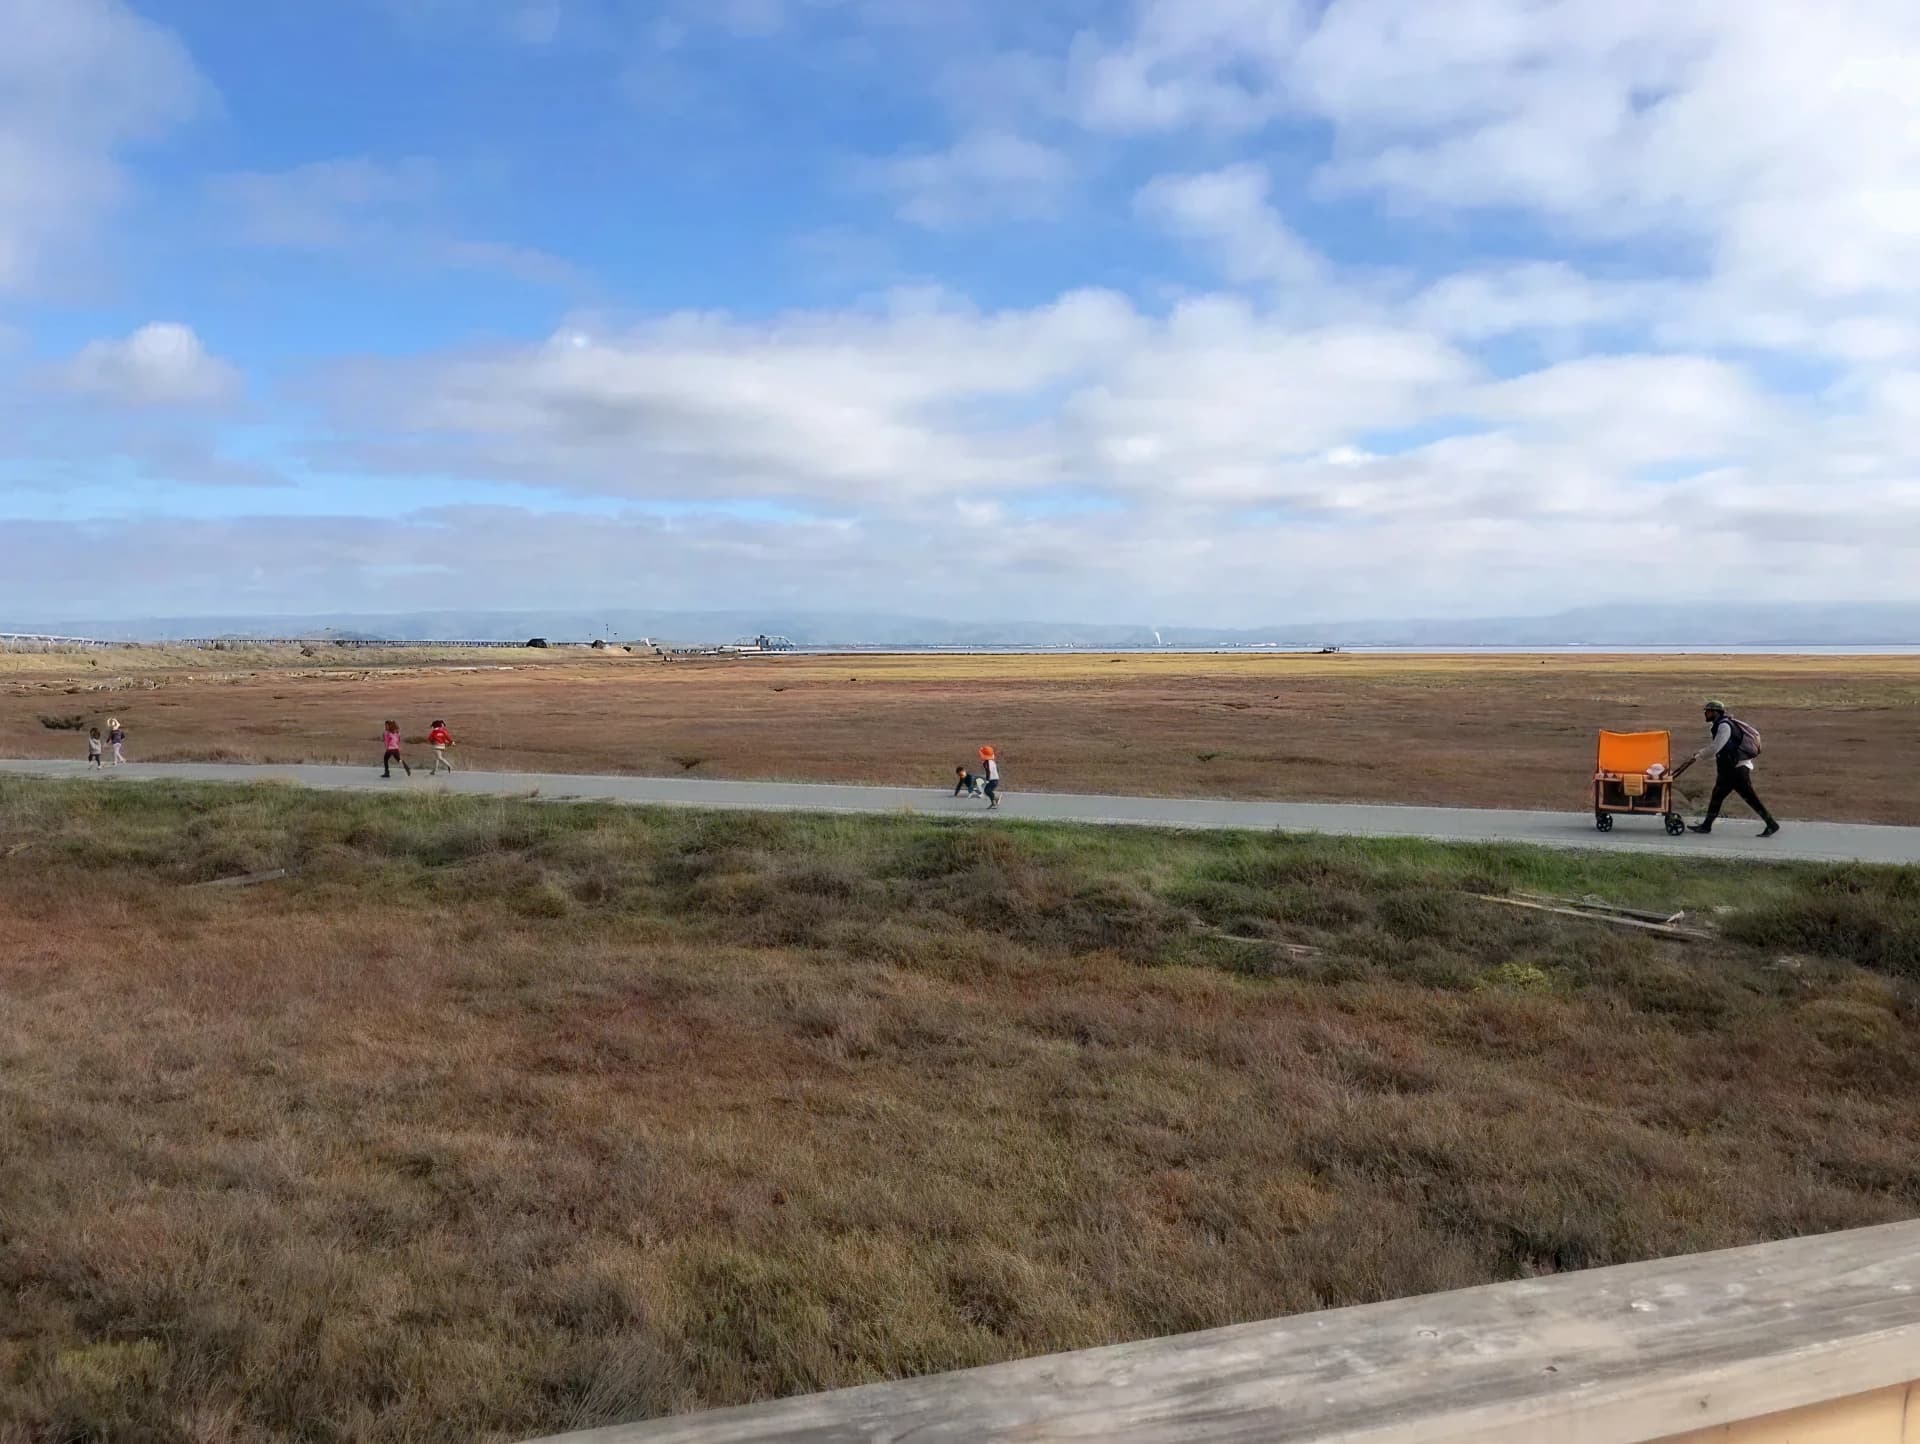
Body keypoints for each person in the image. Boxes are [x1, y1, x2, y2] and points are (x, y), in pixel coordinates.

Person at [1670, 699, 1779, 837]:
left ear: (1716, 712)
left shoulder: (1724, 726)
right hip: (1730, 769)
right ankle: (1706, 826)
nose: (1706, 714)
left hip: (1735, 769)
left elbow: (1716, 747)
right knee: (1718, 795)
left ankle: (1771, 824)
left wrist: (1699, 755)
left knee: (1748, 798)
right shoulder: (1720, 725)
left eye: (1708, 711)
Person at [979, 745, 1001, 810]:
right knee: (988, 791)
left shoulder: (987, 763)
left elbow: (988, 771)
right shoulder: (992, 761)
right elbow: (997, 769)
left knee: (987, 791)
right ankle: (994, 802)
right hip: (995, 779)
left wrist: (987, 780)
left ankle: (996, 799)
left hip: (992, 780)